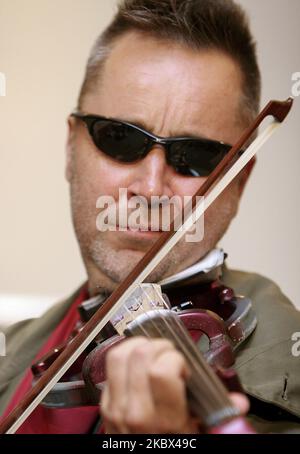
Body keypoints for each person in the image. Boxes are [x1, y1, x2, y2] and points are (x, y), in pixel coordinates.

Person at [1, 0, 300, 434]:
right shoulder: (20, 353)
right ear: (71, 149)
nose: (151, 187)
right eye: (120, 138)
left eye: (195, 156)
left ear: (237, 182)